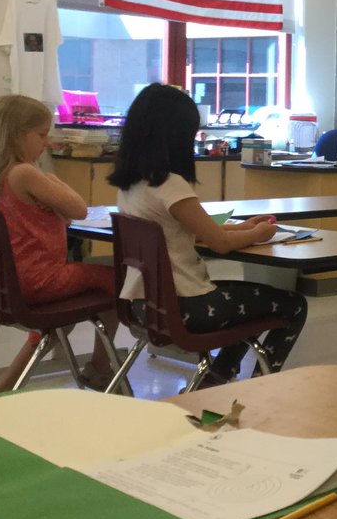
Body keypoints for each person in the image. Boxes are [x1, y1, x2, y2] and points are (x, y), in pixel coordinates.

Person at [109, 84, 307, 384]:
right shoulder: (170, 184)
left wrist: (244, 228)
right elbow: (220, 243)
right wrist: (260, 234)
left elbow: (192, 231)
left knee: (247, 305)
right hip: (185, 306)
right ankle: (261, 385)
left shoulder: (131, 185)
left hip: (143, 304)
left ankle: (218, 378)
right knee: (292, 305)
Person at [0, 95, 120, 392]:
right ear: (17, 135)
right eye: (41, 135)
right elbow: (79, 209)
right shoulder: (26, 173)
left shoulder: (2, 174)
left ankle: (6, 384)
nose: (47, 142)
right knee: (119, 281)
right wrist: (53, 179)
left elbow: (59, 217)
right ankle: (100, 367)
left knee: (59, 319)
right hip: (38, 279)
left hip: (5, 278)